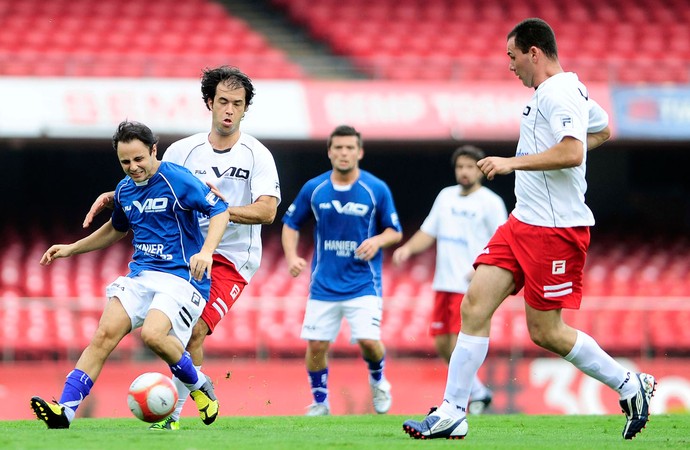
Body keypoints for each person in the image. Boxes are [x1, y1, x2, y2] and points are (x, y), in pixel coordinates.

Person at [402, 18, 655, 440]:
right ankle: (452, 411)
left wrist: (511, 162)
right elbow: (604, 129)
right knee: (474, 305)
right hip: (523, 222)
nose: (510, 65)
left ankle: (631, 386)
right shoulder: (559, 91)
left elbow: (574, 151)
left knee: (546, 332)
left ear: (533, 52)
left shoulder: (559, 94)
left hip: (556, 231)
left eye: (512, 56)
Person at [82, 66, 281, 430]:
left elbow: (268, 211)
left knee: (196, 331)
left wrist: (217, 208)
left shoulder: (257, 155)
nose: (229, 109)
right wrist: (114, 196)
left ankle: (171, 415)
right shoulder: (183, 150)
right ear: (209, 102)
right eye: (222, 101)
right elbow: (150, 183)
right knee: (172, 334)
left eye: (237, 104)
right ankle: (182, 402)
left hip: (231, 258)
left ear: (245, 109)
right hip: (184, 252)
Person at [31, 120, 230, 429]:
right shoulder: (124, 190)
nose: (133, 167)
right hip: (142, 275)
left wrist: (206, 251)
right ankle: (65, 411)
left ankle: (199, 385)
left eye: (139, 159)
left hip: (182, 277)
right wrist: (71, 248)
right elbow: (116, 229)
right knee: (102, 336)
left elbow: (220, 210)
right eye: (125, 161)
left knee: (152, 335)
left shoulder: (178, 180)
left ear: (153, 151)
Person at [281, 125, 403, 416]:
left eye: (349, 148)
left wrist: (377, 240)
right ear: (329, 152)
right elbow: (290, 224)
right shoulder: (315, 188)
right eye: (338, 147)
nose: (344, 153)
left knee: (369, 344)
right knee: (316, 345)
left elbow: (394, 231)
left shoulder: (376, 188)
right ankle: (321, 402)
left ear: (359, 152)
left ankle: (378, 381)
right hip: (323, 284)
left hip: (363, 283)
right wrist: (291, 257)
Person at [392, 145, 507, 414]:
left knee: (459, 340)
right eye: (460, 167)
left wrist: (482, 267)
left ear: (480, 170)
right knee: (442, 342)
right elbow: (428, 231)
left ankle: (460, 400)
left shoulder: (490, 202)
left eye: (470, 167)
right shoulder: (445, 197)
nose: (464, 172)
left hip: (470, 283)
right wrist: (408, 248)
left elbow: (501, 240)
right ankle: (479, 392)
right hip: (443, 281)